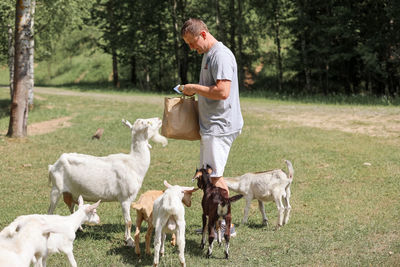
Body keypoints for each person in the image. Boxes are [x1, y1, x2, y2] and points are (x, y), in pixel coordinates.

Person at [180, 18, 243, 197]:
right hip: (212, 126)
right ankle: (214, 224)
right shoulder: (209, 54)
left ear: (203, 34)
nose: (192, 48)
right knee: (206, 178)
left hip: (220, 126)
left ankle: (225, 224)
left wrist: (194, 88)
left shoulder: (220, 55)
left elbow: (223, 92)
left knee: (213, 177)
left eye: (192, 43)